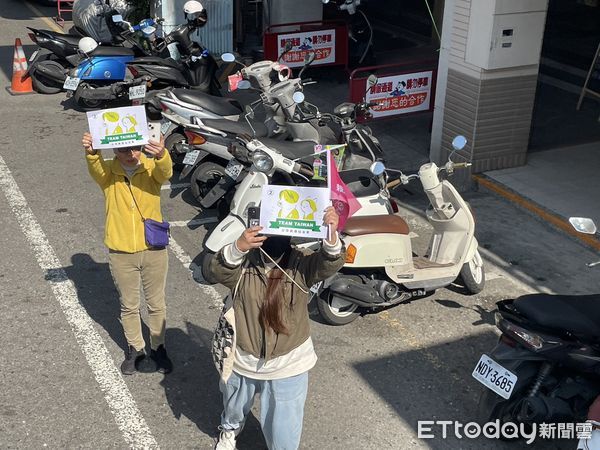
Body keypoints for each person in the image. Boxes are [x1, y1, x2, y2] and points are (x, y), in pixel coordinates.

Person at [208, 207, 345, 450]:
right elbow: (216, 270)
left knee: (284, 434)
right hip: (244, 357)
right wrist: (238, 246)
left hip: (289, 363)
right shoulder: (244, 264)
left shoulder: (302, 263)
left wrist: (331, 236)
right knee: (234, 405)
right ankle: (230, 429)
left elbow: (329, 263)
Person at [82, 131, 174, 375]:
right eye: (124, 150)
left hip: (154, 248)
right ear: (114, 150)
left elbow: (165, 173)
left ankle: (159, 347)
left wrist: (163, 154)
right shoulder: (108, 172)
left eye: (135, 148)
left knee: (156, 303)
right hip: (121, 251)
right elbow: (95, 168)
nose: (131, 154)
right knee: (129, 305)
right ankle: (136, 349)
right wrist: (92, 152)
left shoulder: (150, 166)